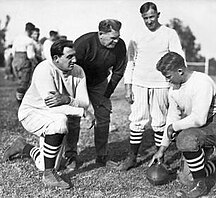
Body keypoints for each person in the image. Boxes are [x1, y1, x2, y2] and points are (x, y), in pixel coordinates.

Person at [3, 39, 94, 189]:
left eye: (74, 56)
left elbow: (84, 101)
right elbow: (52, 107)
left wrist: (68, 99)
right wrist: (83, 112)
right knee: (59, 121)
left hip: (54, 115)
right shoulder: (44, 69)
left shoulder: (78, 71)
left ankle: (23, 146)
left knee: (42, 162)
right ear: (56, 58)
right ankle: (49, 174)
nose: (74, 60)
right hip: (32, 113)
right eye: (69, 57)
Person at [149, 52, 216, 198]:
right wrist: (162, 150)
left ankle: (201, 186)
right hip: (198, 128)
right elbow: (171, 119)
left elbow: (200, 119)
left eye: (168, 76)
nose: (166, 81)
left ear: (180, 71)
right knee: (186, 177)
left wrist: (174, 127)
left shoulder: (202, 82)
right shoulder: (174, 89)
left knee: (185, 138)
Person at [118, 2, 184, 171]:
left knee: (159, 121)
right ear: (142, 18)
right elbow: (130, 62)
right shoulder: (136, 35)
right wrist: (128, 87)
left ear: (158, 15)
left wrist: (176, 84)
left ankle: (158, 158)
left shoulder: (169, 33)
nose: (149, 21)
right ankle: (132, 157)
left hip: (162, 84)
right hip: (140, 83)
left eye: (152, 17)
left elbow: (178, 58)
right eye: (145, 18)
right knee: (137, 119)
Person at [73, 19, 127, 166]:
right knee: (73, 116)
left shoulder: (120, 45)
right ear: (101, 34)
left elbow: (118, 72)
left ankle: (102, 156)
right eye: (112, 38)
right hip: (77, 81)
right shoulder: (84, 43)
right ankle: (70, 155)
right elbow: (70, 68)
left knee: (103, 115)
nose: (116, 41)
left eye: (118, 37)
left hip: (99, 82)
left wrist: (107, 94)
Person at [12, 22, 36, 104]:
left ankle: (21, 99)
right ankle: (20, 102)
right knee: (25, 83)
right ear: (31, 31)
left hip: (16, 60)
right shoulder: (29, 41)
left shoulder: (17, 38)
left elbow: (13, 51)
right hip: (24, 61)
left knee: (20, 82)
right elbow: (31, 56)